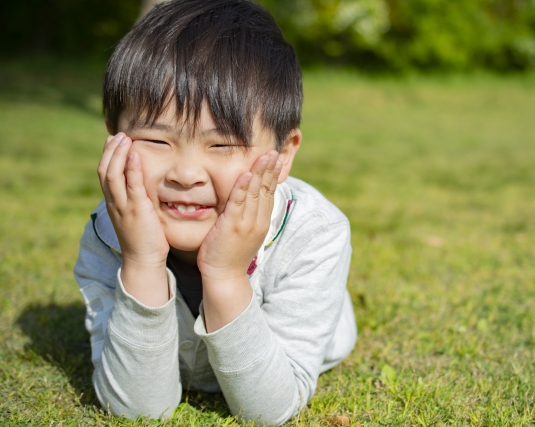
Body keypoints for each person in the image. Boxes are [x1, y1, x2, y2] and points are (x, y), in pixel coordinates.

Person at [73, 0, 357, 425]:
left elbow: (269, 412)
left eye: (222, 145)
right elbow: (139, 409)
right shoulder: (108, 231)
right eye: (155, 140)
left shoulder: (315, 234)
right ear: (114, 139)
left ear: (283, 155)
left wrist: (225, 274)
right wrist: (142, 261)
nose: (186, 174)